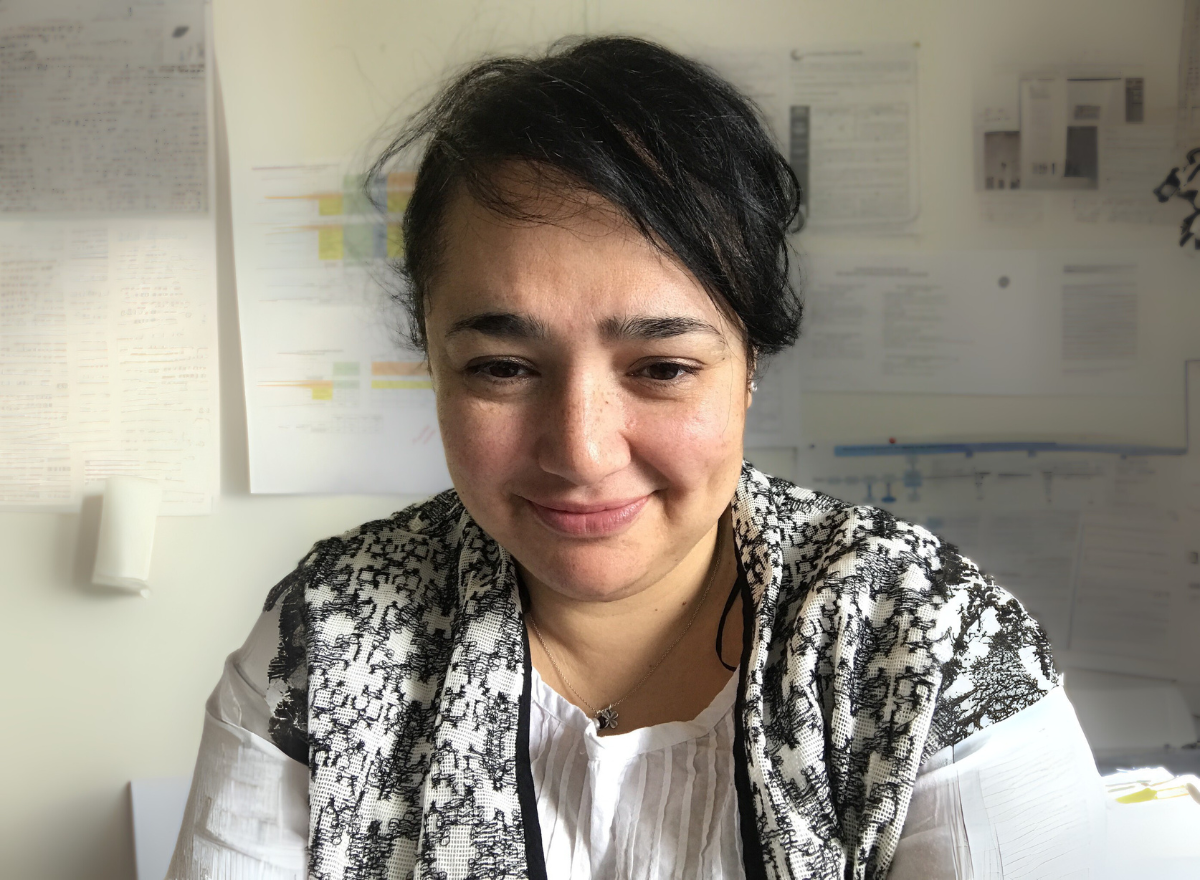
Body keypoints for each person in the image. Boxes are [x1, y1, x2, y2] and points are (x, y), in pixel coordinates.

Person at [167, 36, 1105, 880]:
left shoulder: (925, 644)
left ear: (748, 367)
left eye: (662, 368)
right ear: (435, 362)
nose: (581, 451)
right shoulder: (330, 639)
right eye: (502, 367)